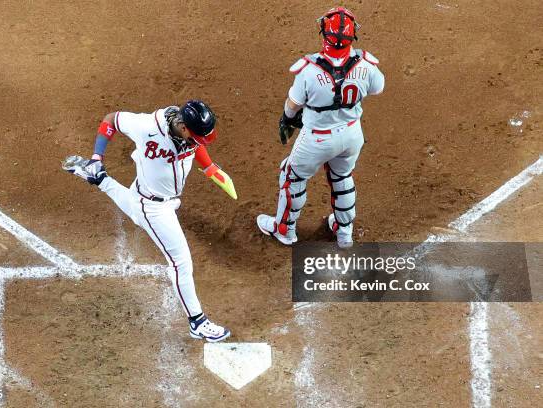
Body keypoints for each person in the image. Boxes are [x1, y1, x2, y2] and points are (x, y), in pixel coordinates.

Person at [64, 100, 233, 342]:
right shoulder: (147, 126)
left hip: (153, 198)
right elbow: (112, 118)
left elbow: (197, 145)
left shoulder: (188, 134)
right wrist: (96, 156)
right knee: (180, 263)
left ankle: (98, 179)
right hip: (154, 207)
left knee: (135, 208)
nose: (200, 141)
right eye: (197, 136)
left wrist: (209, 167)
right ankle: (197, 322)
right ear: (184, 127)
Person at [257, 6, 385, 248]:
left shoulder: (309, 69)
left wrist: (287, 118)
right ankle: (344, 232)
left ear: (324, 35)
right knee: (342, 176)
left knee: (291, 176)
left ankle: (284, 229)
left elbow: (293, 104)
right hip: (351, 133)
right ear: (352, 36)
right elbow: (378, 88)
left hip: (317, 139)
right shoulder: (367, 64)